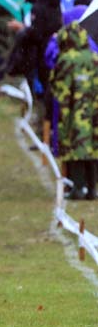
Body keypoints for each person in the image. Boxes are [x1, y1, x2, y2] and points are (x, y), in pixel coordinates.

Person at [50, 19, 98, 200]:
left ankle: (78, 188)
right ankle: (93, 189)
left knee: (75, 149)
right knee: (93, 150)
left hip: (73, 113)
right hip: (94, 113)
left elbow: (59, 88)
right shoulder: (94, 58)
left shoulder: (66, 59)